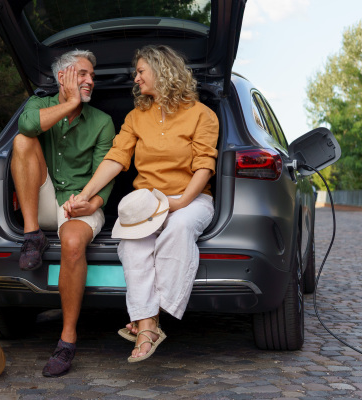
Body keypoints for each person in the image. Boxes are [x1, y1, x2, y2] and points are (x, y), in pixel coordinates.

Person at [64, 44, 219, 362]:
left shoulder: (203, 115)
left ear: (162, 71)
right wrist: (84, 195)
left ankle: (148, 320)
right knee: (131, 246)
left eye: (140, 72)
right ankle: (148, 325)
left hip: (192, 199)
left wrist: (181, 201)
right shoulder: (136, 117)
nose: (135, 78)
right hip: (146, 204)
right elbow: (115, 159)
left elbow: (205, 165)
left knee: (178, 228)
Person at [11, 49, 115, 376]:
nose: (90, 81)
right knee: (22, 141)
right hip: (42, 198)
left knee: (72, 244)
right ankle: (32, 236)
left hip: (81, 200)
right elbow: (27, 126)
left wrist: (91, 202)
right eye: (82, 74)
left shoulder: (102, 122)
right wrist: (70, 104)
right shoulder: (39, 104)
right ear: (63, 78)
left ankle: (67, 339)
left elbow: (106, 175)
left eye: (92, 76)